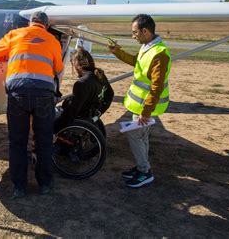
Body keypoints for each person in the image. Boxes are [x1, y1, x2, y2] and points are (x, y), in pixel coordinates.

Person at [0, 11, 63, 198]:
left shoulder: (15, 34)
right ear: (45, 25)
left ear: (31, 23)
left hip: (18, 95)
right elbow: (59, 68)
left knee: (18, 142)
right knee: (44, 140)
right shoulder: (53, 40)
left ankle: (19, 187)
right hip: (43, 95)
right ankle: (45, 184)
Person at [108, 14, 171, 188]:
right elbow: (137, 63)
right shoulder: (147, 47)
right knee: (142, 137)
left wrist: (146, 111)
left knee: (135, 135)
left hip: (145, 107)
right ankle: (142, 167)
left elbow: (156, 87)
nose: (133, 35)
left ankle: (145, 172)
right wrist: (117, 53)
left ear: (145, 31)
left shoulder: (160, 54)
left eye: (135, 32)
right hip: (140, 105)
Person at [54, 46, 114, 132]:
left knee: (52, 114)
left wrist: (55, 128)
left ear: (77, 65)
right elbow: (110, 95)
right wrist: (98, 114)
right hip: (91, 116)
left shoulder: (82, 83)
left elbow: (72, 111)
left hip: (80, 117)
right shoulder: (100, 76)